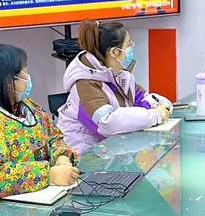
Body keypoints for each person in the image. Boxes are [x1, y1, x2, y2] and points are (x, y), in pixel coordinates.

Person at [0, 44, 79, 212]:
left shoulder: (28, 106)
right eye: (25, 73)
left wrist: (62, 158)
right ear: (8, 81)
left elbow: (54, 137)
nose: (29, 77)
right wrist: (49, 174)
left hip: (45, 201)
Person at [57, 20, 173, 153]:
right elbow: (107, 123)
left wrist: (161, 106)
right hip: (82, 158)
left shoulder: (121, 76)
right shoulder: (84, 85)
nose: (131, 48)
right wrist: (155, 115)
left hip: (109, 152)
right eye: (129, 44)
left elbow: (143, 99)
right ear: (114, 52)